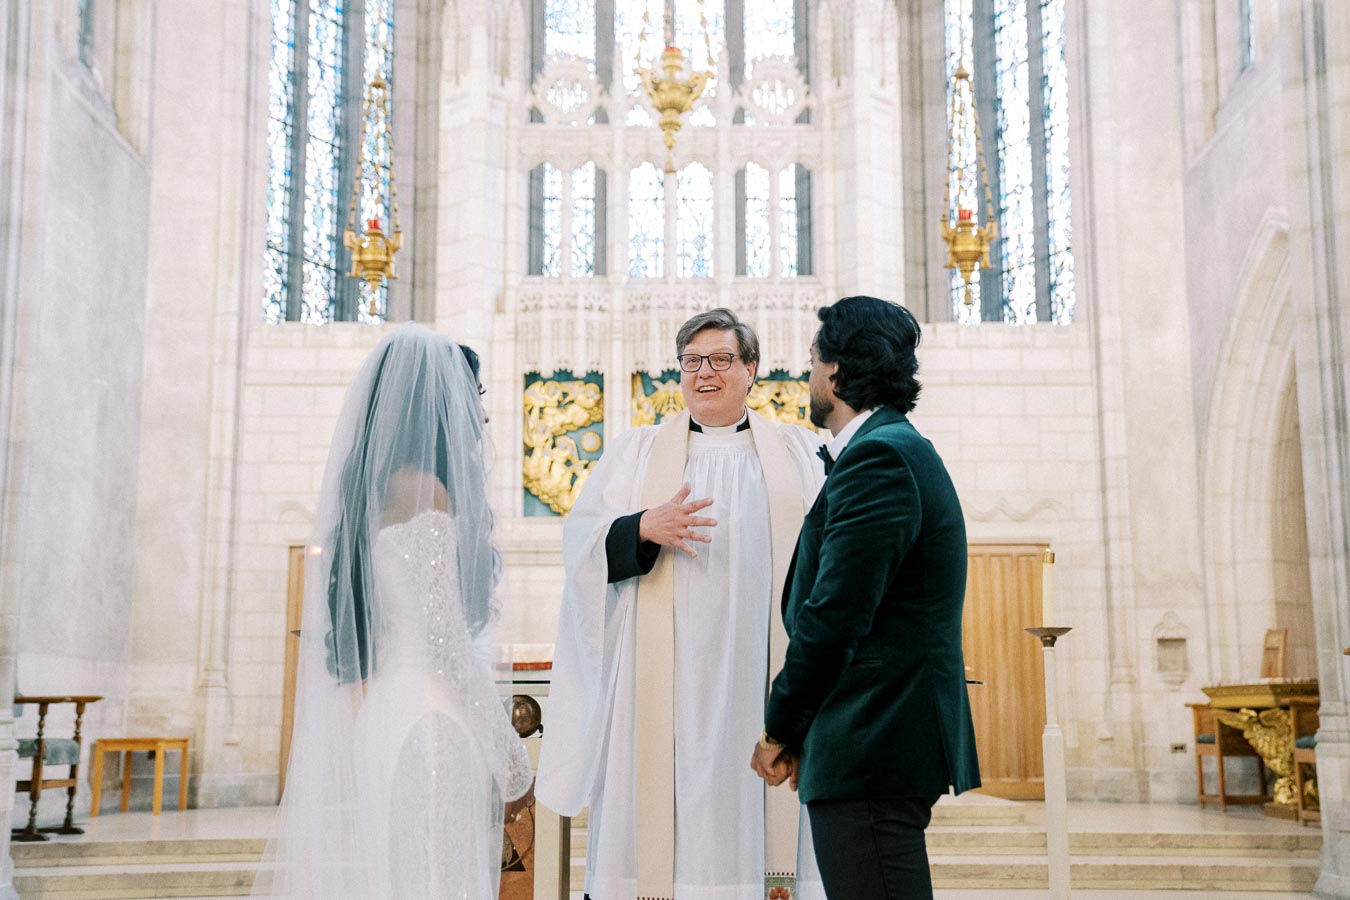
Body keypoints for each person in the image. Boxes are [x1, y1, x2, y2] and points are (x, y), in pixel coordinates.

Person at [538, 309, 826, 900]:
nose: (705, 374)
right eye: (692, 362)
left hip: (761, 675)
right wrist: (640, 527)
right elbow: (582, 547)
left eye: (721, 360)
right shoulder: (635, 454)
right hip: (659, 688)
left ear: (751, 370)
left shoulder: (799, 454)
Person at [258, 324, 534, 899]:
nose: (482, 417)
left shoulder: (380, 492)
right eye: (474, 398)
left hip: (387, 718)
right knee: (438, 883)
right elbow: (446, 645)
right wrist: (513, 762)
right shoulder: (427, 493)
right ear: (439, 406)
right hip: (430, 727)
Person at [750, 296, 980, 900]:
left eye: (812, 360)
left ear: (838, 370)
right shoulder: (889, 448)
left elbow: (834, 616)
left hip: (873, 736)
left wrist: (780, 729)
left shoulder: (879, 457)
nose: (807, 375)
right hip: (873, 737)